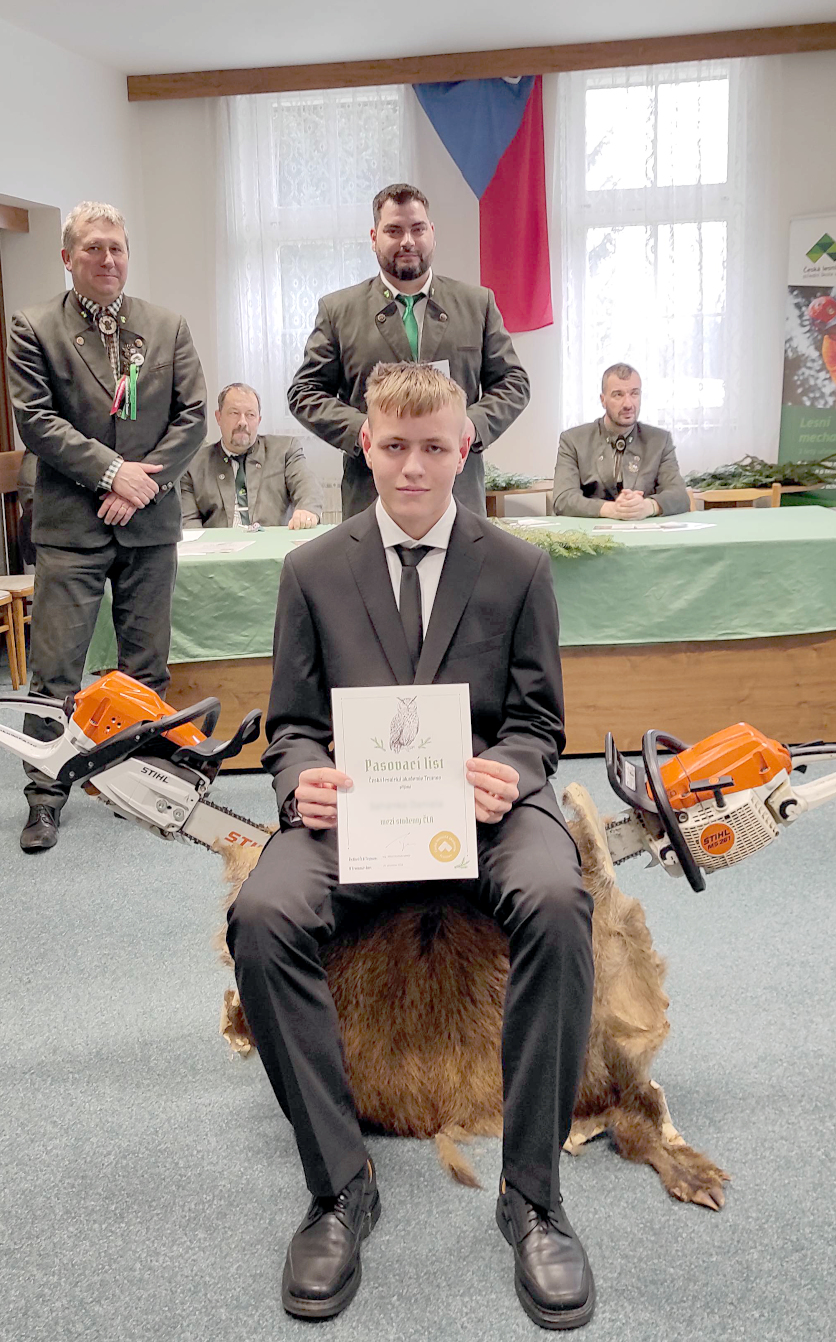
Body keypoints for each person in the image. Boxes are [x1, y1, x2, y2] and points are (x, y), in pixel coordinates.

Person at [227, 361, 595, 1332]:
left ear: (464, 448)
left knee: (560, 899)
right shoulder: (312, 570)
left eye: (435, 447)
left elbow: (541, 722)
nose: (414, 467)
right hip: (357, 814)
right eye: (395, 446)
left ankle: (533, 1195)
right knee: (262, 915)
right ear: (366, 446)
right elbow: (291, 724)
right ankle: (339, 1186)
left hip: (487, 815)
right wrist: (299, 777)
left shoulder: (518, 567)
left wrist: (512, 768)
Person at [7, 200, 206, 853]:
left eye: (117, 247)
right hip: (72, 528)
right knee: (55, 676)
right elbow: (37, 421)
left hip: (148, 524)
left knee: (146, 670)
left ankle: (139, 782)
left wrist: (141, 486)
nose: (108, 258)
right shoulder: (33, 326)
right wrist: (113, 473)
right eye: (93, 247)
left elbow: (193, 416)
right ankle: (45, 796)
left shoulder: (167, 326)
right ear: (68, 257)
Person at [287, 183, 530, 519]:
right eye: (394, 230)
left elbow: (514, 382)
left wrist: (471, 424)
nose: (408, 241)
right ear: (374, 237)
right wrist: (363, 429)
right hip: (370, 498)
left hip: (458, 496)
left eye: (417, 229)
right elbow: (304, 392)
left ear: (432, 233)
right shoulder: (339, 311)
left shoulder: (477, 304)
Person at [552, 363, 689, 519]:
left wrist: (648, 506)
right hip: (590, 531)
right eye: (618, 395)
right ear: (603, 400)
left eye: (634, 394)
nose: (628, 404)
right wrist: (610, 509)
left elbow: (679, 495)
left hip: (644, 529)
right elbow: (562, 499)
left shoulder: (660, 441)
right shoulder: (573, 440)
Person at [180, 382, 322, 529]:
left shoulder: (284, 450)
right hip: (218, 543)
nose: (242, 422)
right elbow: (188, 523)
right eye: (234, 413)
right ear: (219, 417)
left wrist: (306, 511)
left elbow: (307, 487)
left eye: (250, 415)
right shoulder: (194, 463)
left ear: (259, 420)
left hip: (271, 542)